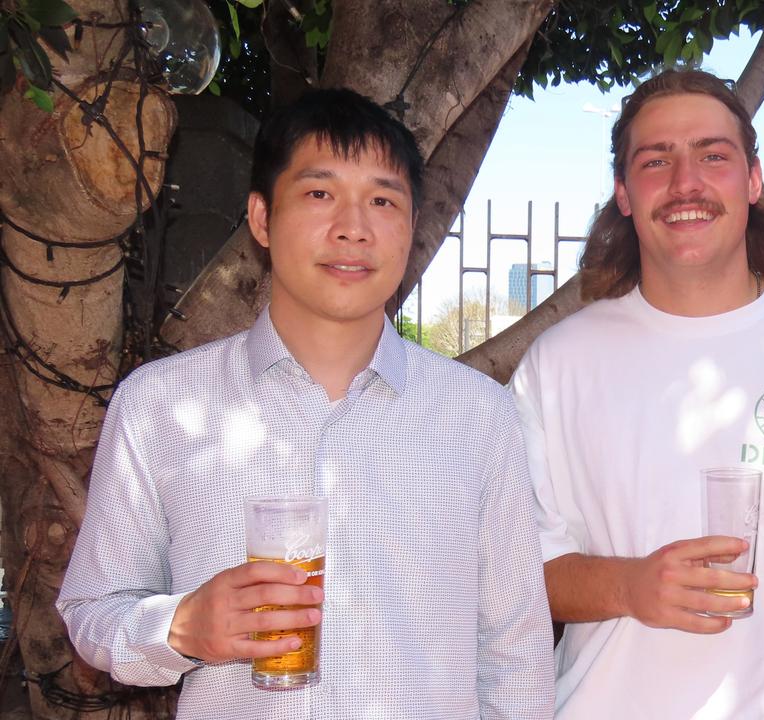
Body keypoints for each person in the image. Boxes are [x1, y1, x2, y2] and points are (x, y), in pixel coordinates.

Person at [57, 88, 555, 719]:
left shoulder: (479, 416)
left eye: (382, 200)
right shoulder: (159, 405)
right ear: (262, 219)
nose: (354, 226)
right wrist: (180, 627)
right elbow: (92, 610)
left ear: (411, 227)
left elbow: (515, 650)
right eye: (320, 194)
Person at [508, 68, 764, 718]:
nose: (685, 183)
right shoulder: (559, 363)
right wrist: (632, 584)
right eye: (655, 160)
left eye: (712, 156)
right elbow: (521, 574)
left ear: (752, 180)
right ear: (623, 192)